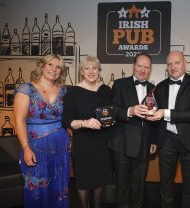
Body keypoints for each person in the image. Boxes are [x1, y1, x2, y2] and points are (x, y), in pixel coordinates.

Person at [147, 51, 190, 208]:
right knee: (165, 184)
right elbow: (155, 116)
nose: (173, 67)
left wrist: (166, 113)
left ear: (184, 63)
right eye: (169, 64)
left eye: (176, 62)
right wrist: (153, 139)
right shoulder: (160, 87)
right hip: (166, 139)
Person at [13, 54, 70, 207]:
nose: (54, 69)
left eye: (58, 67)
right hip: (35, 147)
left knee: (59, 188)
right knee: (36, 191)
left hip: (61, 146)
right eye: (51, 65)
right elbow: (19, 121)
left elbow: (70, 118)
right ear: (42, 66)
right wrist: (26, 148)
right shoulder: (26, 89)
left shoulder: (64, 91)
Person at [62, 56, 113, 208]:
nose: (91, 71)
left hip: (103, 142)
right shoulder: (73, 92)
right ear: (81, 72)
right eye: (87, 68)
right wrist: (85, 123)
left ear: (99, 71)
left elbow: (112, 113)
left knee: (100, 177)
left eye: (94, 68)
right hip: (83, 142)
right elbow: (66, 121)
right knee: (84, 180)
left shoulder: (106, 90)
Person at [108, 53, 157, 208]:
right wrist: (130, 110)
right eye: (140, 65)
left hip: (144, 143)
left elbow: (156, 118)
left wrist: (154, 140)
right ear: (133, 66)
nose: (143, 70)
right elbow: (112, 110)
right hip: (122, 143)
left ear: (150, 69)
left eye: (146, 67)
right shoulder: (120, 84)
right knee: (122, 185)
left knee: (139, 185)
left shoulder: (153, 88)